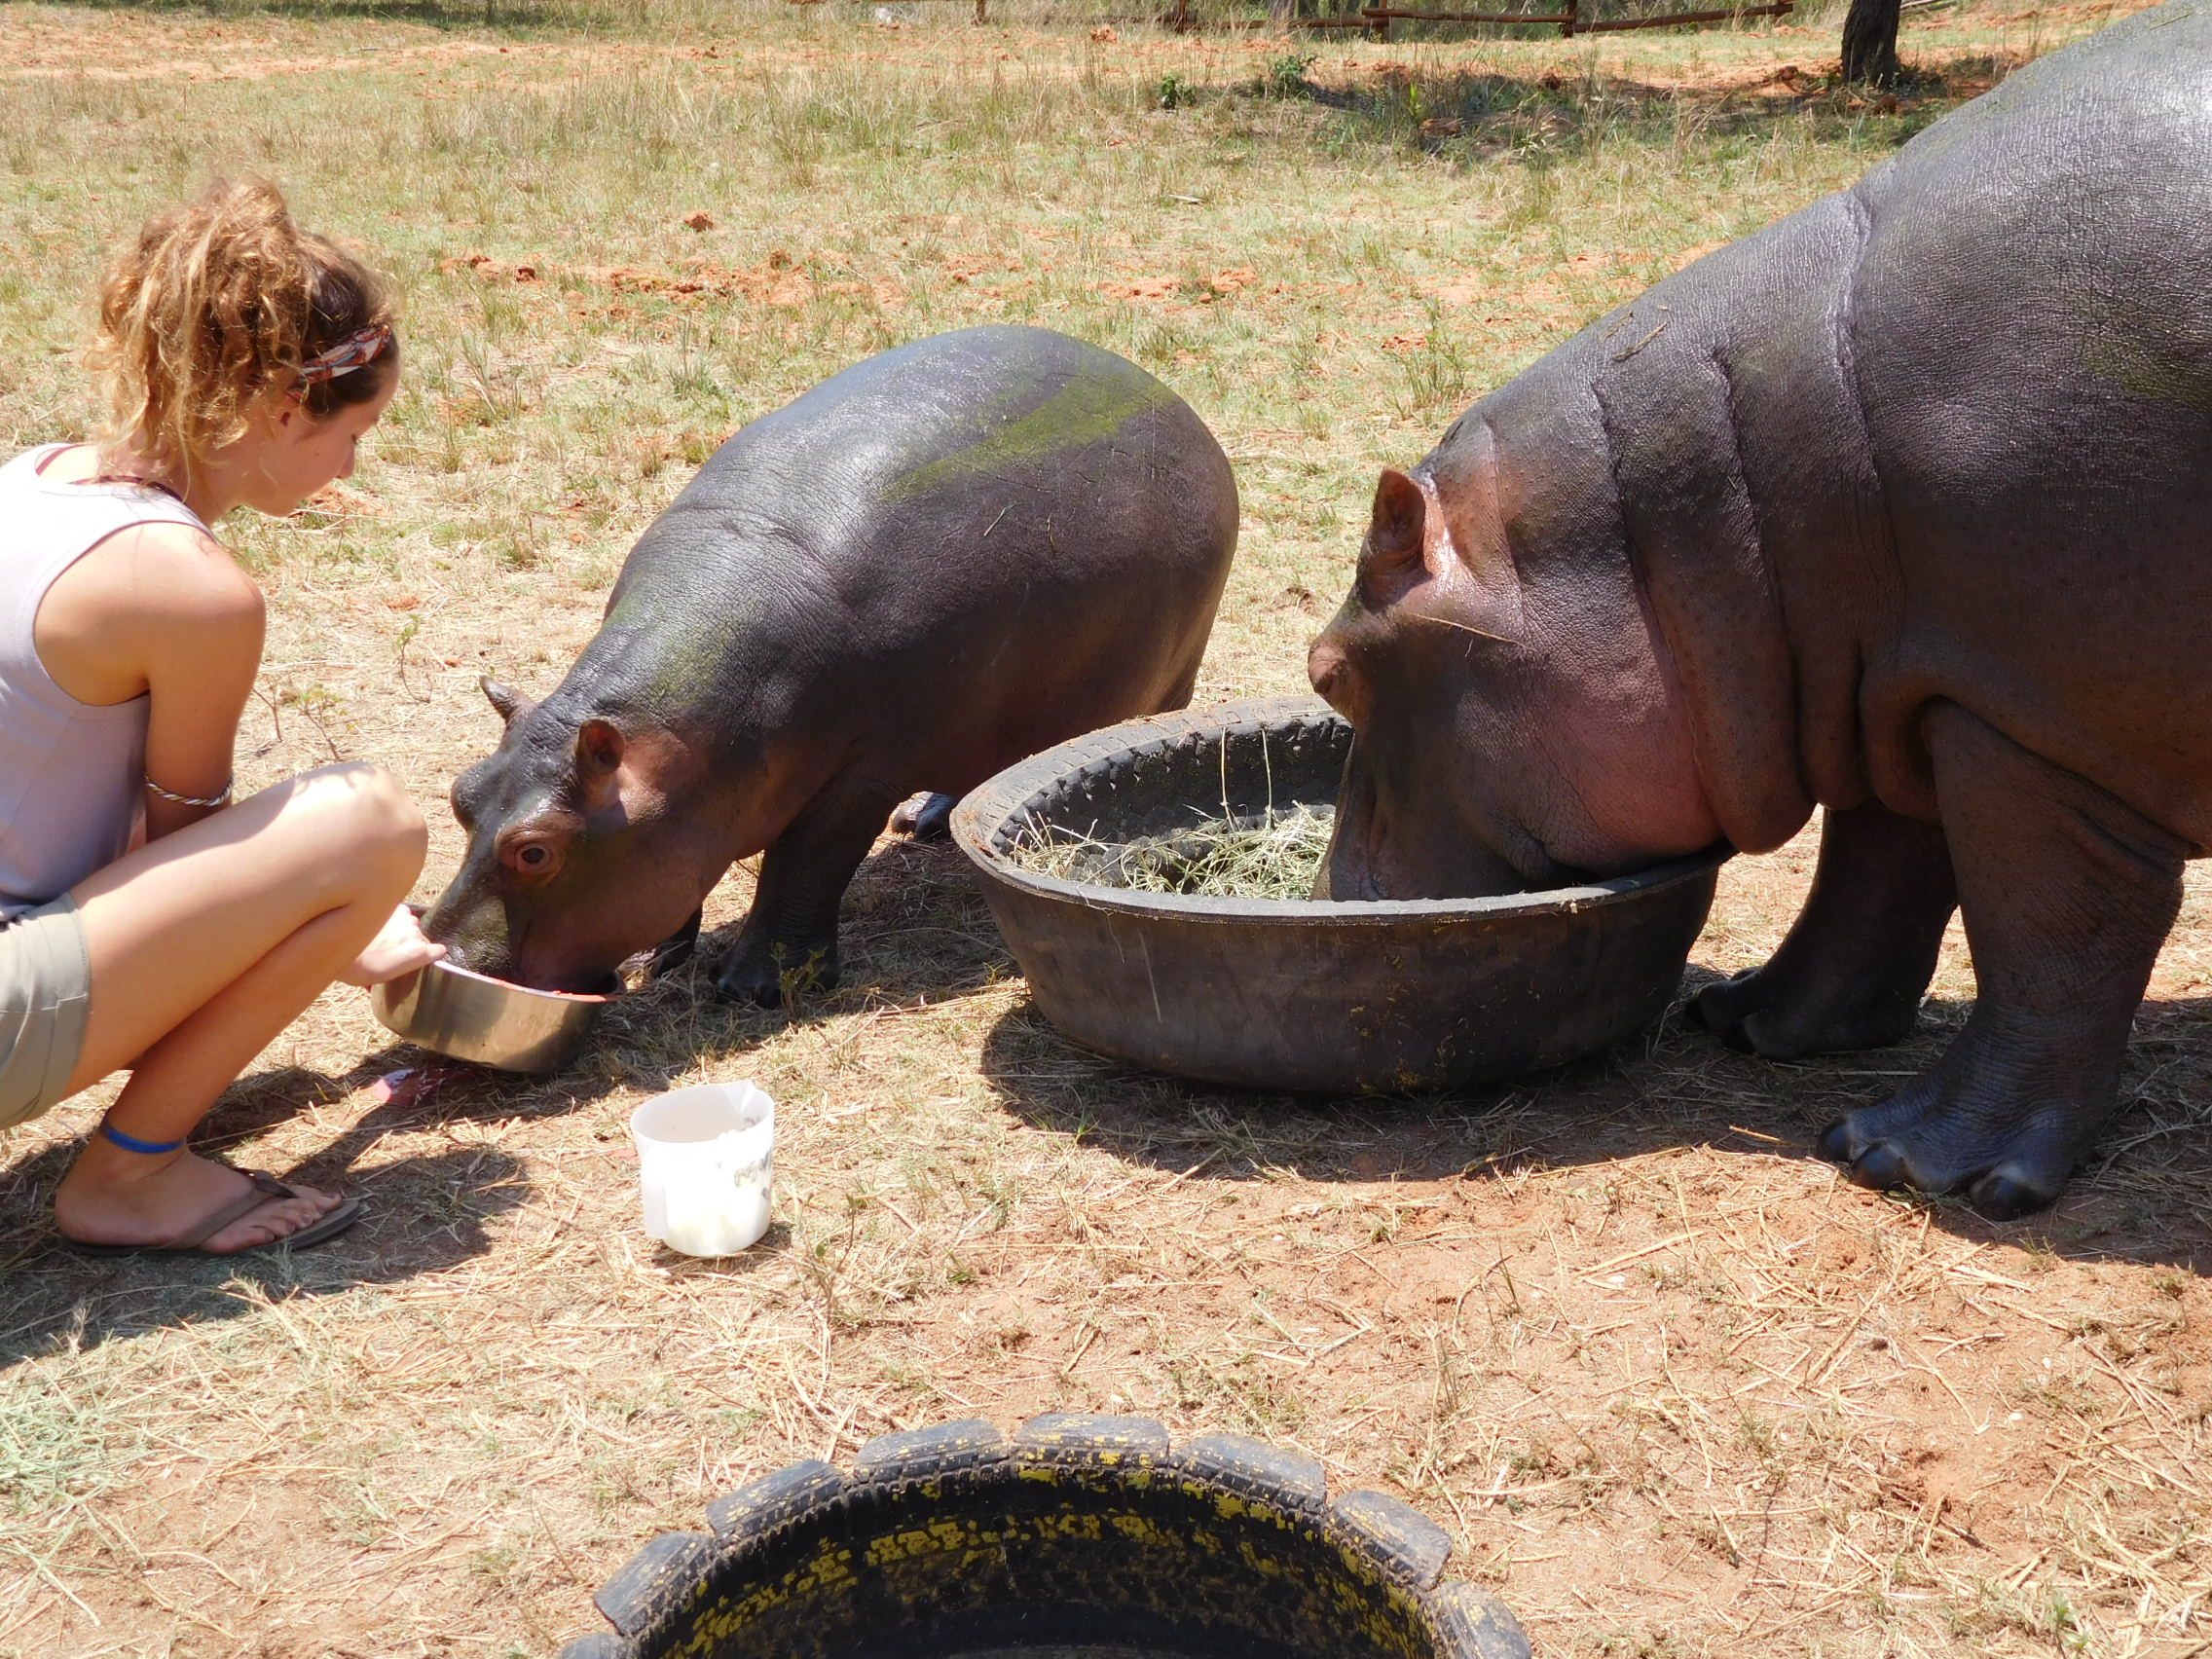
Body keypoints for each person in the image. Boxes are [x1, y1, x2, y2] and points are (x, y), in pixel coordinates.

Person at [0, 178, 445, 1254]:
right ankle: (131, 1178)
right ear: (286, 410)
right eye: (356, 433)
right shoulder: (191, 587)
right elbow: (187, 852)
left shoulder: (30, 479)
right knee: (370, 826)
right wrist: (338, 916)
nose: (350, 466)